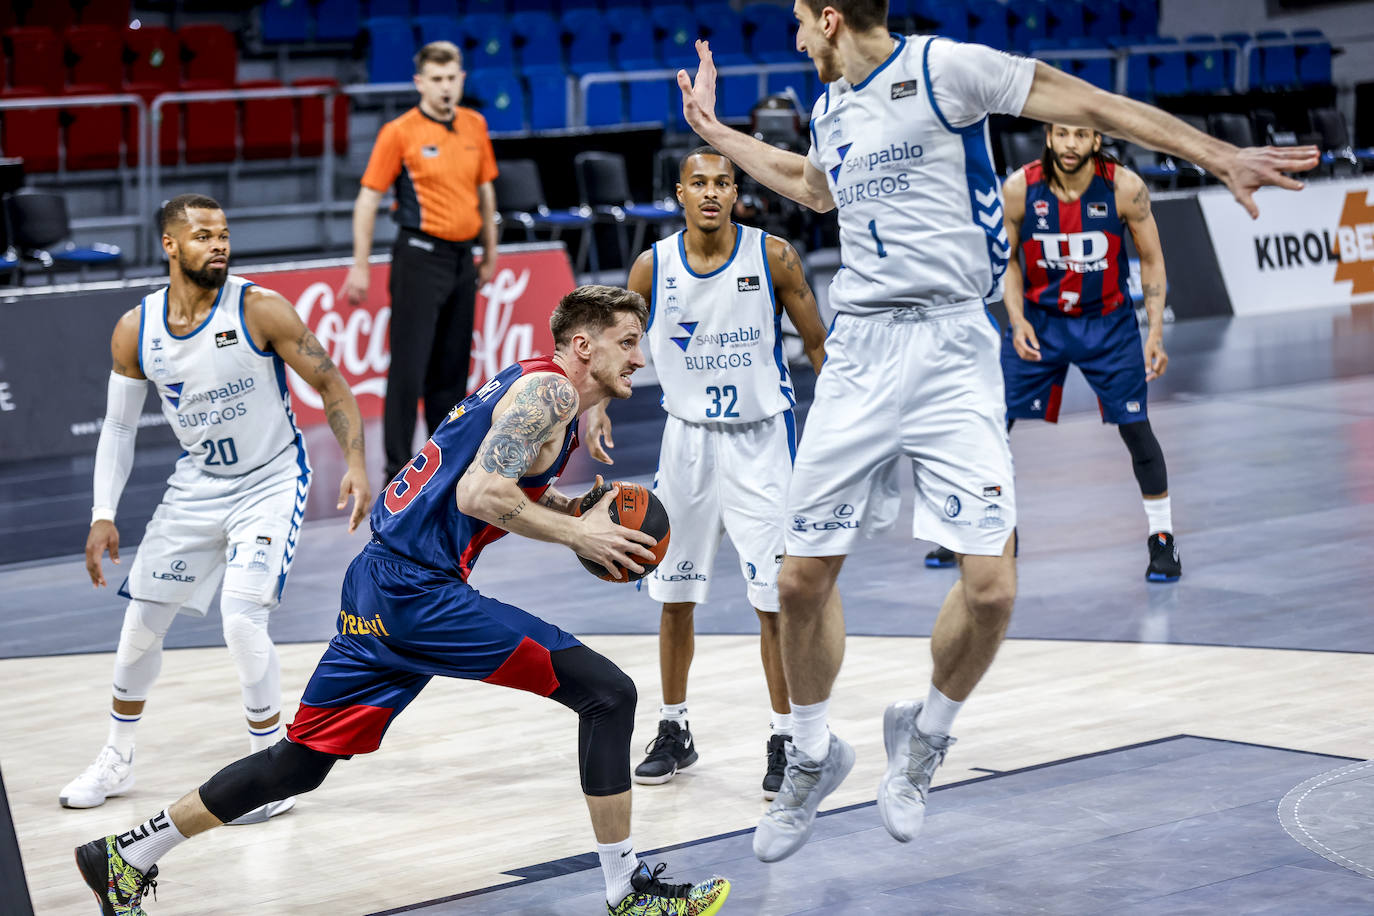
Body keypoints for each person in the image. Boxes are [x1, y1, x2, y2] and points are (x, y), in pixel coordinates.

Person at [676, 0, 1318, 863]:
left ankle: (926, 736)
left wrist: (1217, 153)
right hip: (861, 350)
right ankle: (813, 756)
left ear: (830, 19)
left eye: (798, 22)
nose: (793, 41)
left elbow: (1090, 106)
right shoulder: (831, 109)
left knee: (992, 590)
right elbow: (816, 187)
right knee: (797, 583)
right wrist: (719, 132)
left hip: (951, 346)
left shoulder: (950, 70)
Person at [75, 286, 732, 916]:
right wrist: (578, 531)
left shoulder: (526, 382)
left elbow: (478, 487)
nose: (639, 358)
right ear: (584, 346)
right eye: (628, 342)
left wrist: (569, 510)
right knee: (608, 693)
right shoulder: (552, 393)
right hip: (419, 591)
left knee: (299, 763)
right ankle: (626, 892)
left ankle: (126, 854)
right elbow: (481, 496)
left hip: (379, 585)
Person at [65, 194, 372, 824]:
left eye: (225, 234)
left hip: (270, 479)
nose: (221, 245)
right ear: (171, 246)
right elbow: (118, 432)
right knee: (141, 625)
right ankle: (117, 758)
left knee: (241, 617)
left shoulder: (259, 308)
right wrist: (103, 511)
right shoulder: (137, 328)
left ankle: (270, 768)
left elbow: (332, 383)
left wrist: (358, 464)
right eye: (204, 236)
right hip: (196, 485)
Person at [582, 148, 827, 799]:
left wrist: (840, 432)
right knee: (675, 595)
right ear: (681, 193)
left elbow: (821, 344)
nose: (712, 192)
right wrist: (600, 401)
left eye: (723, 182)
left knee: (771, 600)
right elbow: (616, 343)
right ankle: (674, 727)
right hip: (685, 445)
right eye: (700, 183)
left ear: (735, 191)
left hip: (760, 445)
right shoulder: (651, 264)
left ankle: (786, 736)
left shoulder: (772, 256)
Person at [925, 125, 1181, 581]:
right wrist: (1017, 318)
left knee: (1136, 430)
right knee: (991, 427)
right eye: (1061, 134)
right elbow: (1008, 261)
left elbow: (1154, 260)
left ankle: (1162, 539)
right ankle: (982, 527)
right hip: (1040, 323)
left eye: (1081, 136)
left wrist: (1155, 332)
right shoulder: (1021, 188)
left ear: (1097, 141)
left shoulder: (1125, 187)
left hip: (1109, 322)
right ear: (1048, 136)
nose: (1069, 145)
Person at [341, 39, 500, 485]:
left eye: (452, 78)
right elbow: (367, 200)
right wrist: (360, 265)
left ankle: (443, 463)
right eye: (436, 80)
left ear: (461, 79)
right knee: (409, 369)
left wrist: (490, 250)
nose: (445, 87)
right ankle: (396, 469)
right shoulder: (399, 131)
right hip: (418, 258)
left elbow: (485, 192)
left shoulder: (474, 124)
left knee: (453, 369)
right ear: (419, 83)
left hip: (461, 260)